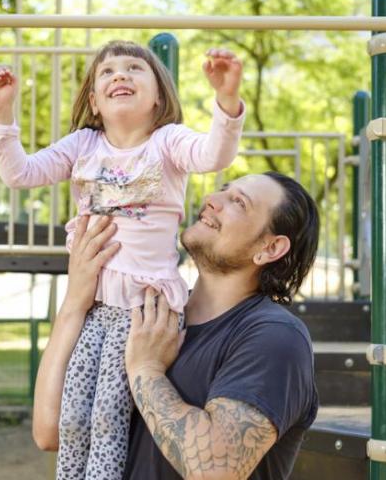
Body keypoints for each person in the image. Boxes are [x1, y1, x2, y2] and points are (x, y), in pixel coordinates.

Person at [0, 40, 246, 479]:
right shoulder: (83, 145)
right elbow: (20, 173)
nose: (119, 75)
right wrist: (1, 114)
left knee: (108, 417)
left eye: (134, 69)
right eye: (107, 72)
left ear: (159, 95)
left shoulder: (167, 142)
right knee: (71, 419)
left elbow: (213, 154)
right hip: (94, 310)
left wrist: (227, 100)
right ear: (94, 101)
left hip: (142, 312)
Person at [33, 172, 319, 480]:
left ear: (270, 248)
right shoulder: (149, 313)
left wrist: (146, 371)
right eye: (223, 190)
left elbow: (215, 470)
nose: (212, 199)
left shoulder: (274, 337)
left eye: (238, 202)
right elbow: (50, 432)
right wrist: (75, 302)